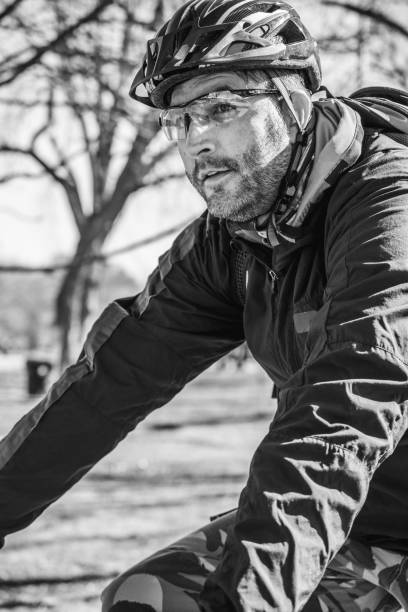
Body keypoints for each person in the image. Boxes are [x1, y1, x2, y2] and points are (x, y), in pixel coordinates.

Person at [2, 0, 408, 609]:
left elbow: (350, 397)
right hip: (361, 524)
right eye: (179, 121)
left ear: (297, 103)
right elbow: (107, 385)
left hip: (352, 502)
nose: (197, 144)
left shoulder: (389, 203)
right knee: (147, 599)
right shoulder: (233, 239)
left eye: (220, 109)